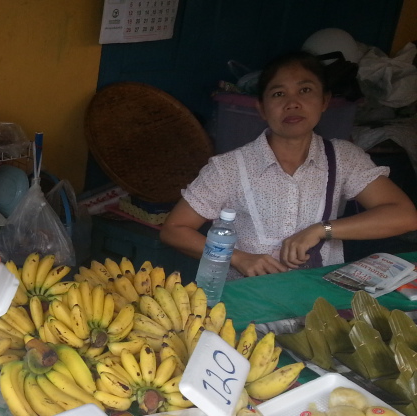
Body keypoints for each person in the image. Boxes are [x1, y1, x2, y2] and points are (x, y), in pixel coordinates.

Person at [160, 51, 417, 278]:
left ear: (324, 101)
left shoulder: (343, 158)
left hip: (314, 302)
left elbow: (404, 216)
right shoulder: (228, 167)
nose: (292, 103)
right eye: (278, 93)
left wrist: (322, 230)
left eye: (305, 90)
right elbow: (174, 230)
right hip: (246, 303)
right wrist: (239, 258)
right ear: (262, 108)